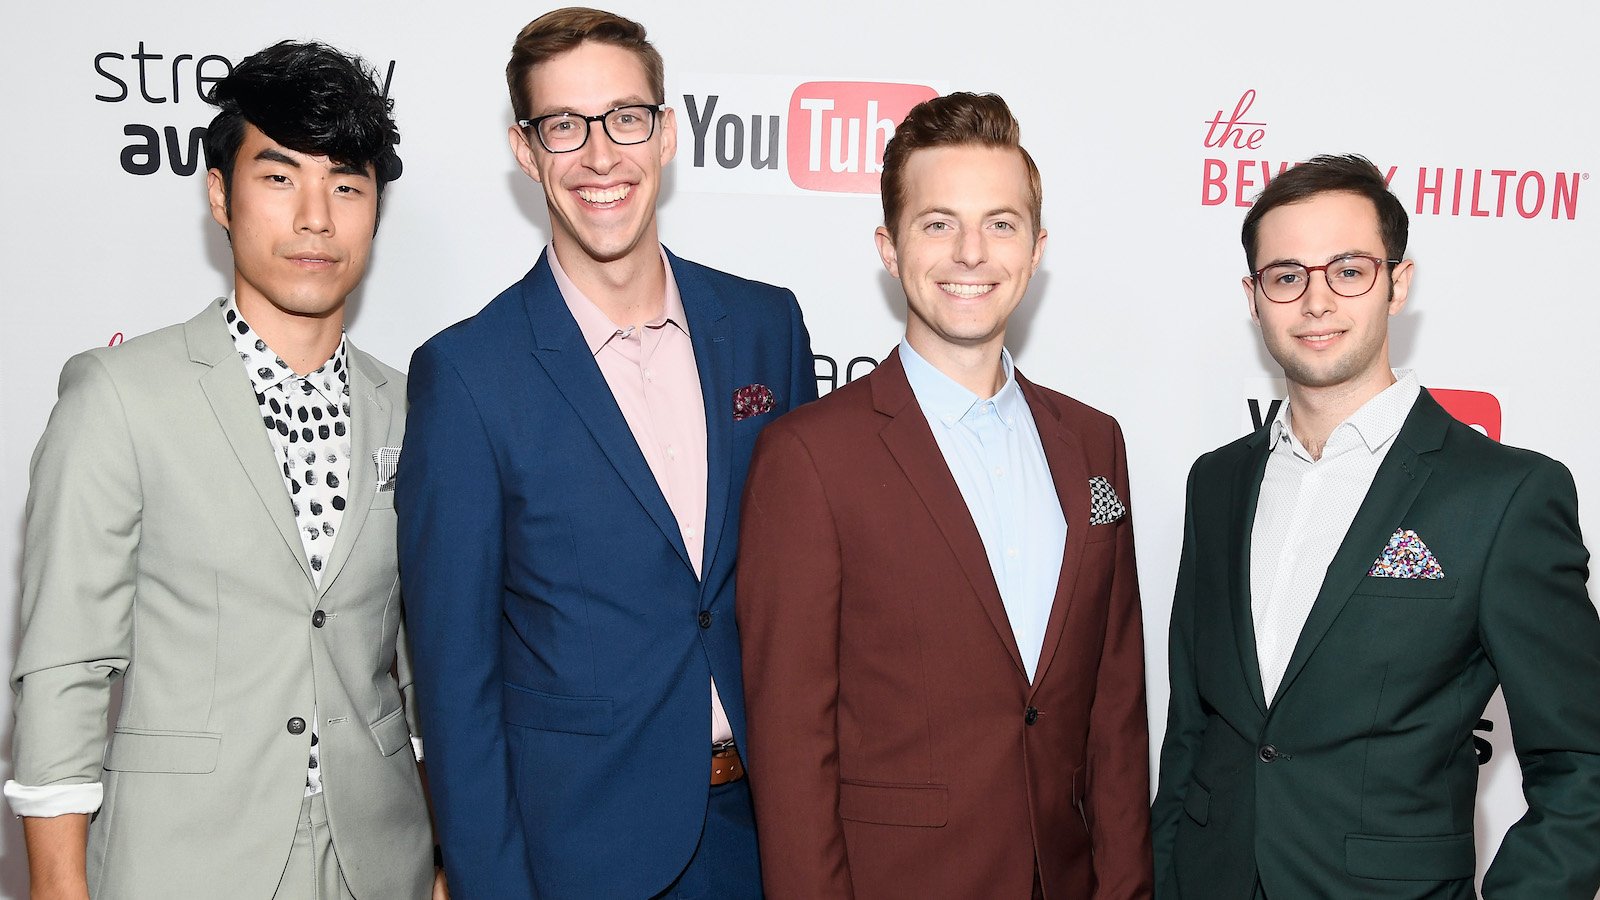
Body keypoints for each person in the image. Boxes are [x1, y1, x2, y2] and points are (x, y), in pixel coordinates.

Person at [396, 8, 816, 898]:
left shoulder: (766, 327)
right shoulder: (468, 374)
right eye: (564, 126)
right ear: (526, 148)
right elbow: (455, 686)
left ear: (666, 133)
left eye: (626, 118)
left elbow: (807, 601)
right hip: (580, 854)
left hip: (766, 839)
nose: (600, 155)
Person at [9, 40, 441, 899]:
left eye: (346, 185)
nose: (316, 216)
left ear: (374, 211)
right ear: (221, 195)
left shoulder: (419, 406)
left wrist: (440, 863)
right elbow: (65, 670)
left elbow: (428, 668)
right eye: (279, 177)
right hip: (182, 863)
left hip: (380, 860)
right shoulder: (119, 396)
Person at [737, 91, 1154, 899]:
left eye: (1000, 223)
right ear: (889, 248)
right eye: (939, 223)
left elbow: (1115, 706)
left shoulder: (1094, 442)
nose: (972, 252)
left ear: (1035, 250)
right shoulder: (809, 457)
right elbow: (791, 750)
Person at [1151, 154, 1600, 898]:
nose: (1316, 301)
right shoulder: (1217, 482)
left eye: (1349, 270)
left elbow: (1583, 761)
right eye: (1287, 275)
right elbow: (1194, 731)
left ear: (1398, 283)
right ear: (1254, 297)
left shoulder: (1504, 495)